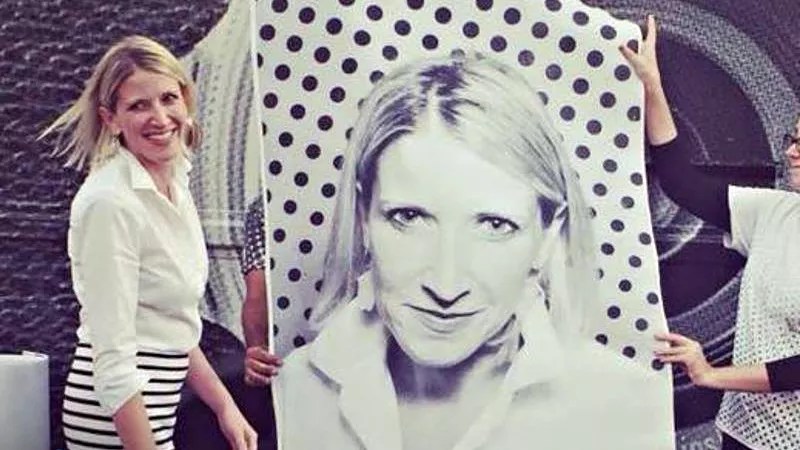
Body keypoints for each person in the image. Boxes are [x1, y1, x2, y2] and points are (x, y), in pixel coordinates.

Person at [274, 52, 673, 450]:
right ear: (363, 216)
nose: (446, 286)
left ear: (548, 233)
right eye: (409, 217)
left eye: (494, 226)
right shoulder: (295, 390)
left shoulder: (624, 408)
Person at [42, 35, 257, 450]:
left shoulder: (175, 182)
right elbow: (113, 358)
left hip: (156, 413)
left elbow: (172, 325)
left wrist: (225, 407)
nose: (160, 117)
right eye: (139, 106)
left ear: (186, 100)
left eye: (168, 98)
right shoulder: (111, 202)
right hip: (114, 423)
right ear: (111, 119)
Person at [621, 16, 800, 450]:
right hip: (741, 431)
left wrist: (710, 374)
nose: (792, 152)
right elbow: (682, 182)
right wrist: (652, 87)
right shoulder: (774, 212)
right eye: (793, 139)